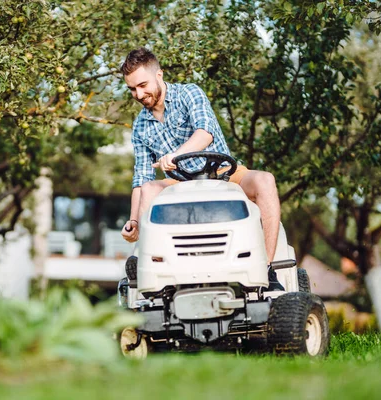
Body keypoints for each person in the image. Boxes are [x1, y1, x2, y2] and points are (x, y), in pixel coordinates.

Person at [119, 47, 284, 290]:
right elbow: (141, 178)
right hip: (180, 184)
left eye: (143, 85)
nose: (139, 93)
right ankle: (147, 269)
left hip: (224, 175)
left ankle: (266, 270)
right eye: (132, 89)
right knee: (150, 187)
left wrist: (175, 155)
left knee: (265, 180)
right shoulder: (140, 125)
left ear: (159, 75)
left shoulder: (189, 94)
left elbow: (204, 134)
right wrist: (133, 220)